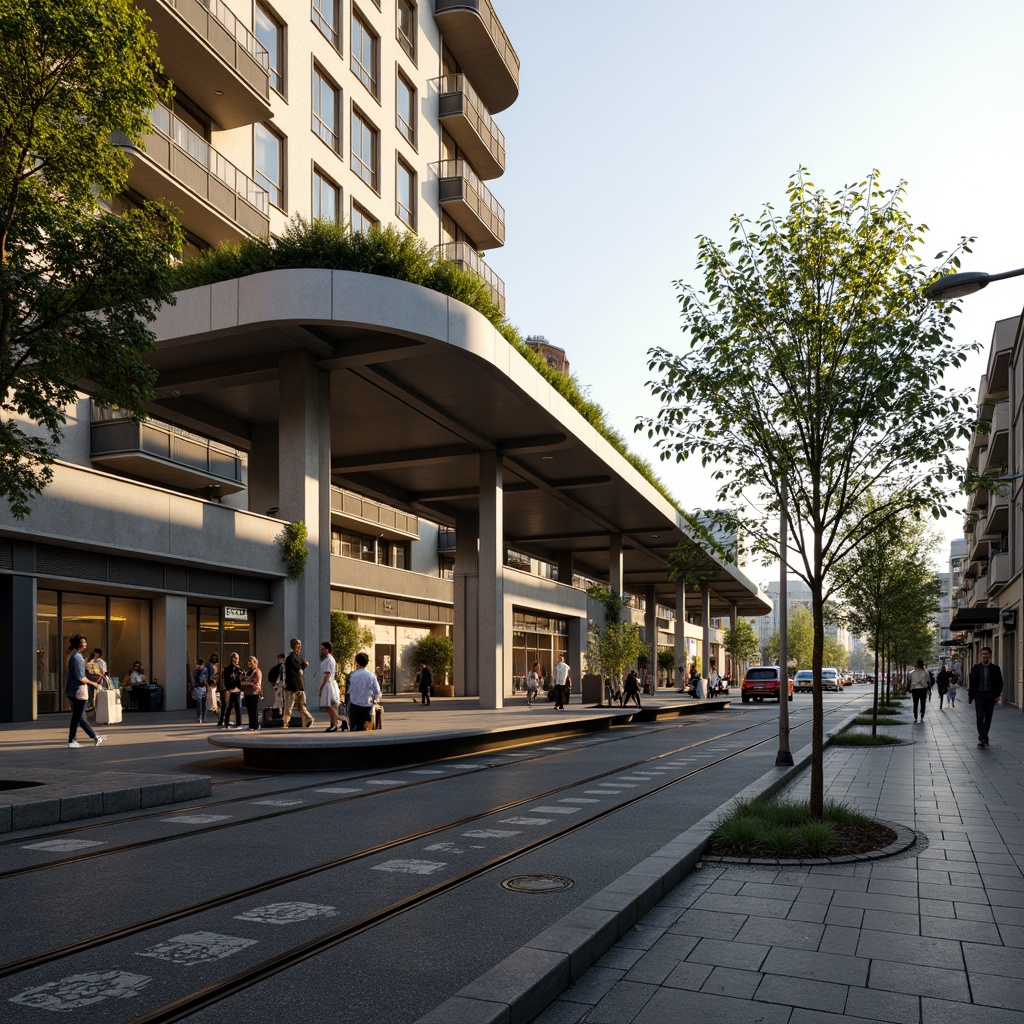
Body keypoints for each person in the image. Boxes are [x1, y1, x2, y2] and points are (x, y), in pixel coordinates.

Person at [66, 635, 105, 748]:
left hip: (74, 690)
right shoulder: (77, 658)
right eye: (84, 643)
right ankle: (73, 740)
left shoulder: (77, 657)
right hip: (78, 691)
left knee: (79, 716)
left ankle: (92, 737)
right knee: (79, 717)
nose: (85, 645)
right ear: (78, 644)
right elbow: (81, 677)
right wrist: (94, 684)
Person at [969, 646, 1003, 747]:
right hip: (979, 696)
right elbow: (972, 683)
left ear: (990, 655)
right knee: (980, 717)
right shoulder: (976, 668)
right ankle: (982, 737)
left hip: (990, 696)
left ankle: (984, 736)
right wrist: (971, 697)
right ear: (981, 656)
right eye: (983, 654)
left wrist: (997, 695)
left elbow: (1000, 683)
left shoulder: (995, 669)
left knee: (988, 717)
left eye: (986, 654)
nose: (984, 656)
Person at [282, 638, 314, 728]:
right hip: (294, 686)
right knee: (291, 706)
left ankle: (308, 719)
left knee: (298, 705)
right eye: (297, 644)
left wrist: (303, 667)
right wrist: (303, 667)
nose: (299, 646)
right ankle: (286, 722)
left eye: (300, 644)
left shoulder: (295, 657)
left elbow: (300, 668)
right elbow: (298, 669)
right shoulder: (291, 658)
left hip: (297, 686)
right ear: (293, 646)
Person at [347, 651, 381, 731]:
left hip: (354, 705)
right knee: (366, 727)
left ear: (357, 662)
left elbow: (349, 690)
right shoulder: (371, 676)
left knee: (357, 726)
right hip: (367, 705)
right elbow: (377, 691)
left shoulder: (352, 675)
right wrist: (376, 699)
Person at [318, 641, 341, 732]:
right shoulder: (328, 659)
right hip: (328, 684)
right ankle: (333, 723)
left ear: (327, 649)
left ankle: (336, 723)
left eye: (323, 649)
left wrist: (321, 687)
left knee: (329, 706)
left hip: (327, 685)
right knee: (330, 706)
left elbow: (327, 675)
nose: (322, 651)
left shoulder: (329, 660)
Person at [219, 652, 243, 729]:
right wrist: (228, 689)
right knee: (229, 707)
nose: (237, 660)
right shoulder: (228, 669)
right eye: (235, 658)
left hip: (237, 690)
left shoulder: (239, 668)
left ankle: (238, 723)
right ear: (232, 658)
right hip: (231, 689)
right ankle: (226, 723)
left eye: (238, 658)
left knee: (237, 707)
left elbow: (240, 679)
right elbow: (227, 680)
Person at [241, 656, 263, 731]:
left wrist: (246, 683)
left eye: (251, 661)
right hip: (247, 693)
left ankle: (256, 725)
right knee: (249, 710)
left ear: (255, 662)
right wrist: (245, 682)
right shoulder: (247, 671)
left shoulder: (257, 671)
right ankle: (251, 725)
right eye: (248, 661)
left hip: (254, 693)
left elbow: (255, 682)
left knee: (254, 710)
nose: (249, 663)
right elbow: (242, 680)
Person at [268, 653, 286, 719]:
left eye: (281, 659)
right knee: (278, 699)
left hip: (282, 685)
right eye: (279, 659)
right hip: (278, 685)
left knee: (281, 700)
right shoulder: (279, 667)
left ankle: (280, 713)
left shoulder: (283, 667)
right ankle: (277, 713)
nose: (280, 660)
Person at [192, 658, 208, 724]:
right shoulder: (198, 670)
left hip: (201, 687)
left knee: (201, 703)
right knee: (201, 703)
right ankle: (201, 717)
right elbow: (196, 677)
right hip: (200, 687)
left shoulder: (204, 670)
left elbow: (204, 678)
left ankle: (201, 717)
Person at [205, 653, 221, 721]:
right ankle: (205, 715)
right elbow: (206, 674)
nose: (214, 660)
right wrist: (207, 683)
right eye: (213, 658)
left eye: (215, 658)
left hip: (216, 684)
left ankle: (217, 714)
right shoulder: (208, 665)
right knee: (210, 698)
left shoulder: (217, 666)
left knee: (216, 699)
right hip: (210, 684)